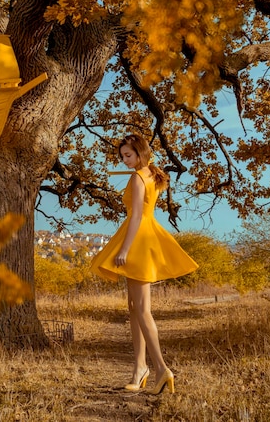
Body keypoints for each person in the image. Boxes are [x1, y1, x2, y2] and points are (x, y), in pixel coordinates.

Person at [90, 133, 198, 395]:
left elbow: (136, 215)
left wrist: (124, 249)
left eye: (128, 155)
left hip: (138, 240)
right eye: (122, 156)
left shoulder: (139, 178)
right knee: (134, 308)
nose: (125, 160)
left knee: (141, 309)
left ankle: (161, 369)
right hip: (147, 235)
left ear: (140, 153)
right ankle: (140, 368)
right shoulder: (152, 172)